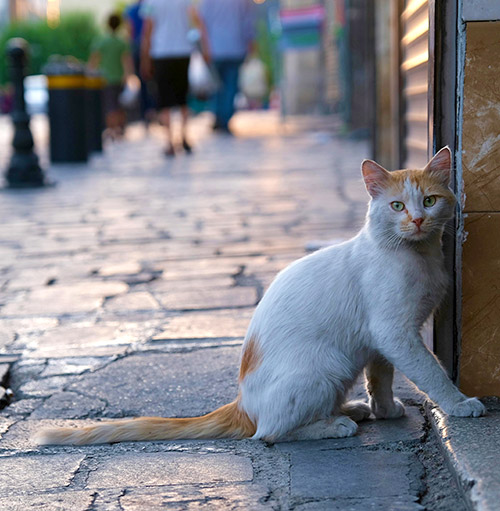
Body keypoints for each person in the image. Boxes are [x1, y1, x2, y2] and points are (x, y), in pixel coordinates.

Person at [140, 0, 194, 156]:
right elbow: (195, 19)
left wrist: (145, 58)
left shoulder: (151, 2)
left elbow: (147, 30)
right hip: (183, 51)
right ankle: (184, 136)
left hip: (161, 52)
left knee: (164, 99)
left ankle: (169, 141)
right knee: (182, 97)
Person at [198, 0, 256, 133]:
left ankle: (218, 116)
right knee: (230, 86)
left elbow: (202, 22)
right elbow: (248, 22)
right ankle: (225, 118)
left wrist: (205, 47)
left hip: (215, 48)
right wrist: (250, 43)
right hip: (236, 47)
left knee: (217, 85)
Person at [89, 13, 133, 140]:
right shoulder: (122, 42)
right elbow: (126, 61)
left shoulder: (101, 41)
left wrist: (90, 73)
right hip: (119, 78)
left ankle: (112, 129)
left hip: (105, 78)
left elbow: (94, 60)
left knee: (109, 105)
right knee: (119, 105)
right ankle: (119, 128)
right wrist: (128, 75)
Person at [124, 0, 156, 127]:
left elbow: (129, 30)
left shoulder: (131, 10)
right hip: (153, 47)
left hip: (137, 47)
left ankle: (145, 112)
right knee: (153, 81)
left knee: (142, 81)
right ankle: (154, 110)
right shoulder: (151, 6)